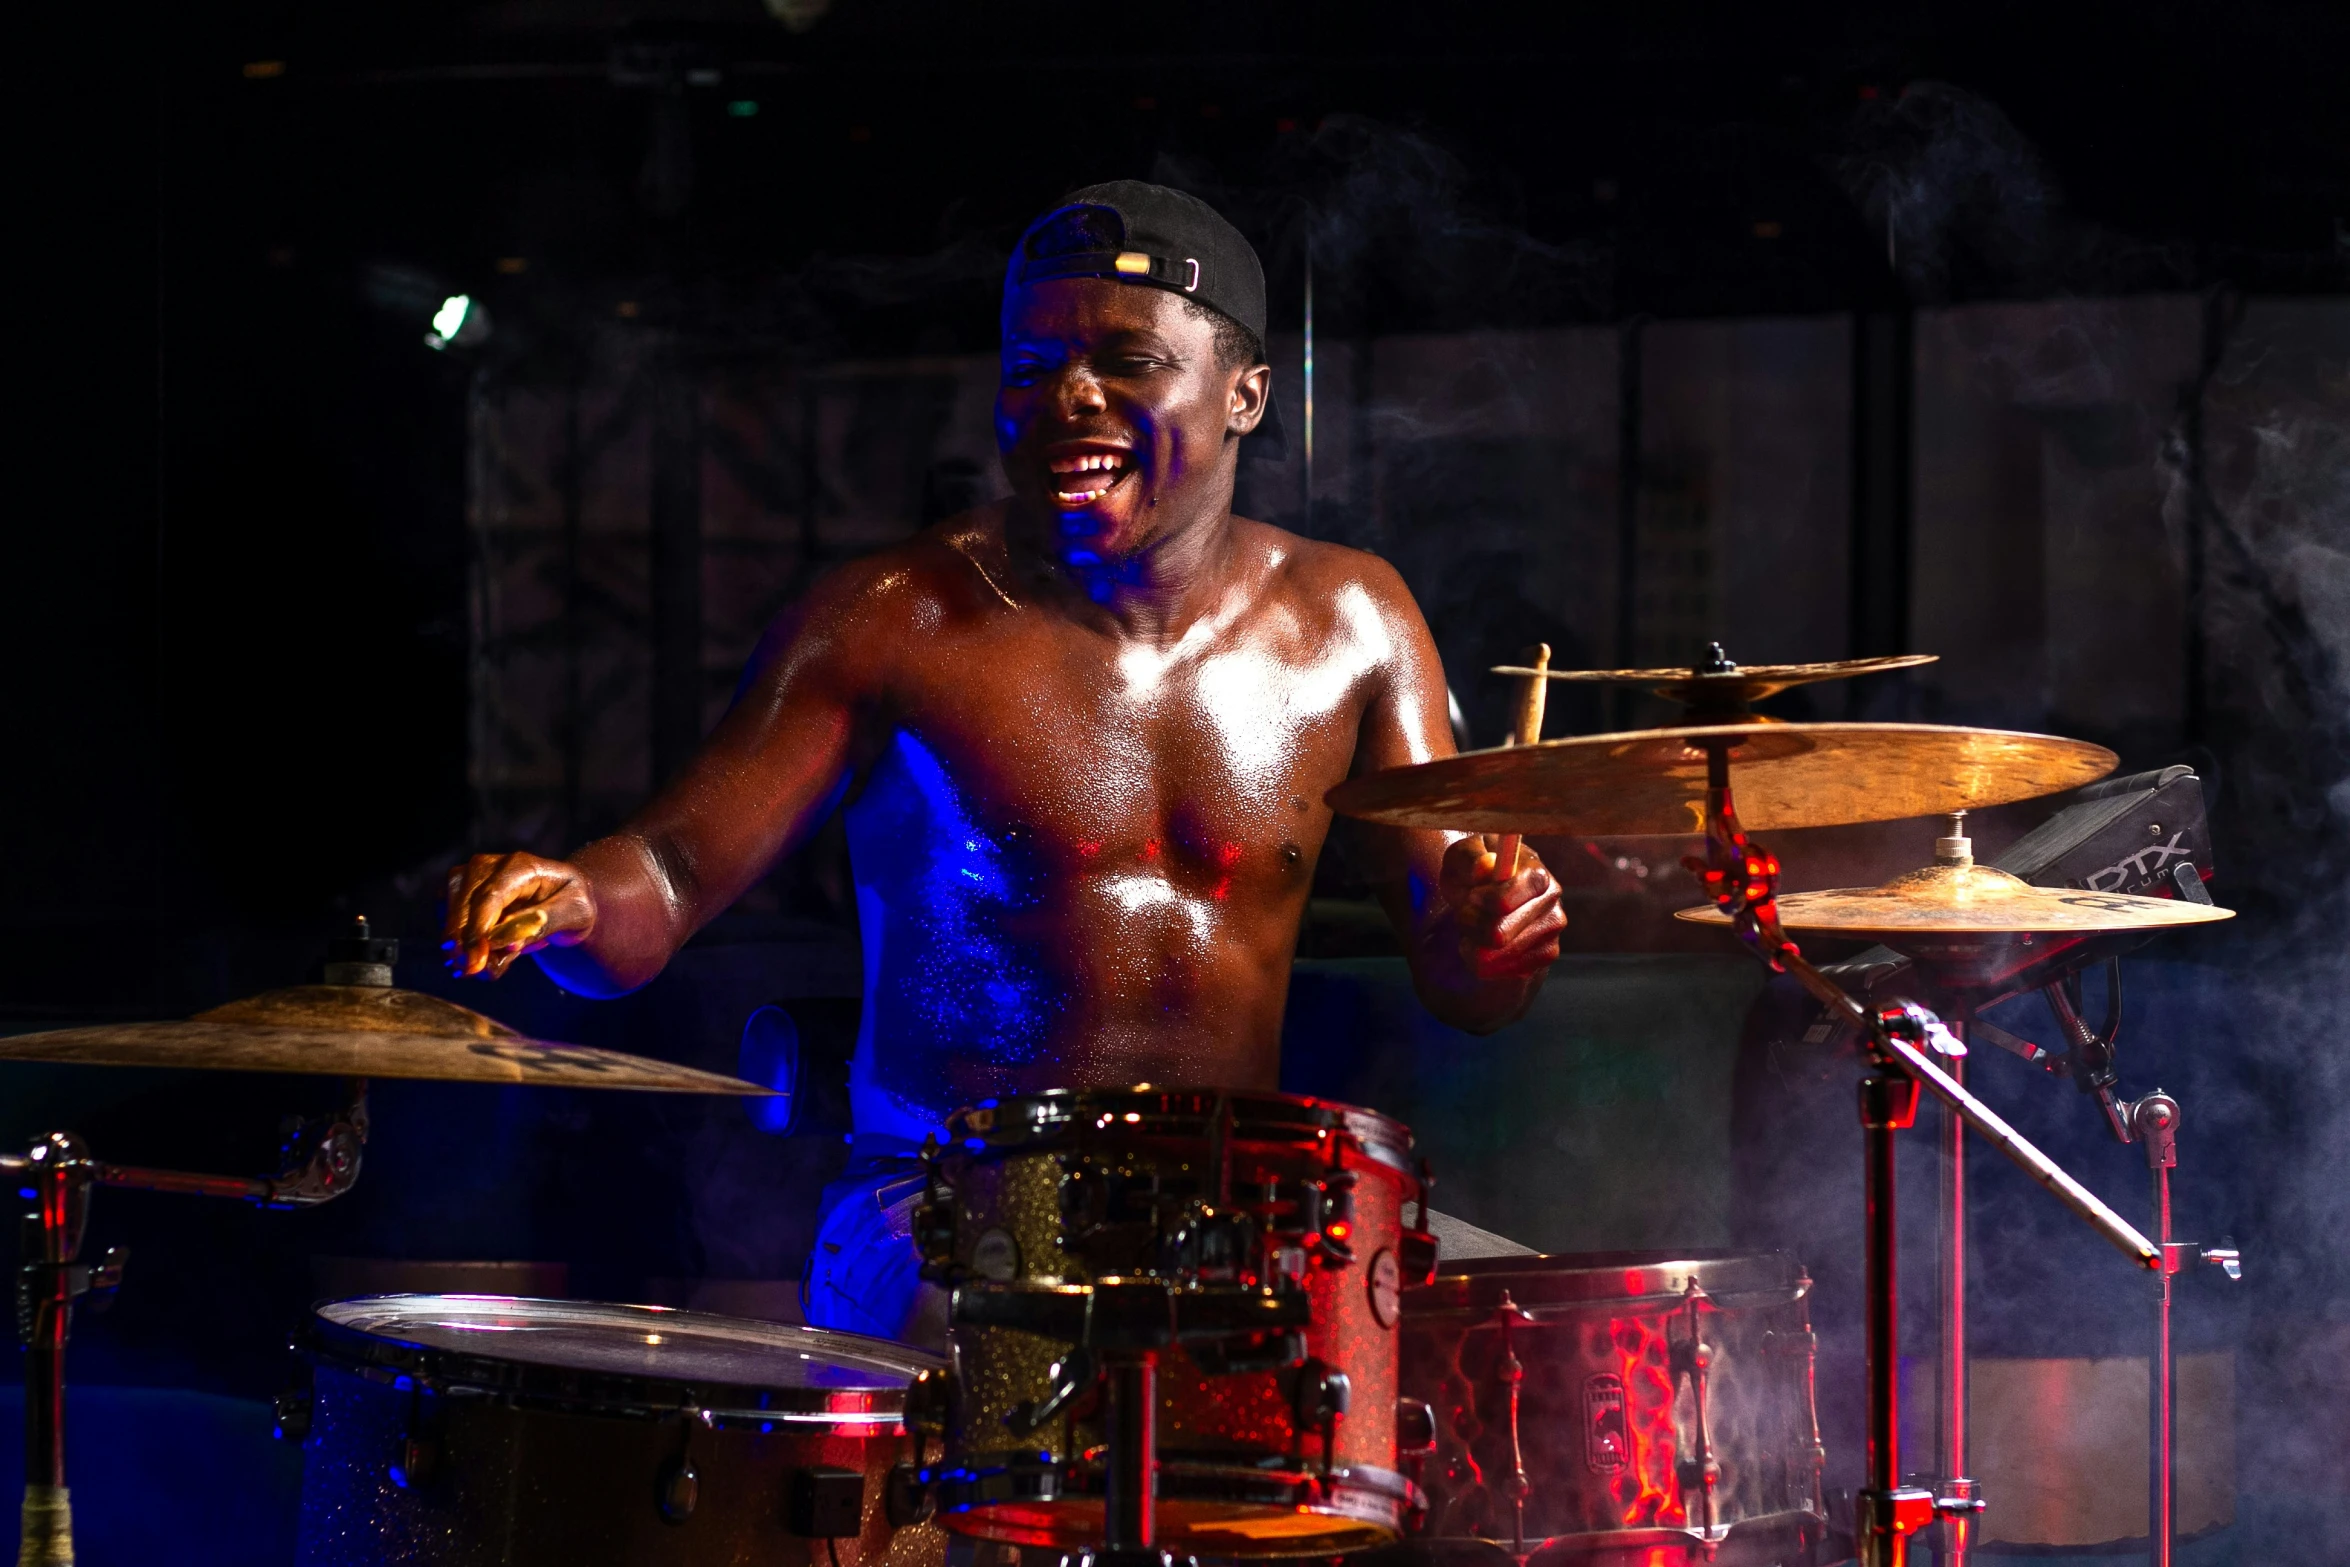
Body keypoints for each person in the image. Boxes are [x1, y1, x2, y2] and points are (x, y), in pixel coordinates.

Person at [443, 181, 1566, 1345]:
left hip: (1221, 1212)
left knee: (1504, 1332)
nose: (1069, 396)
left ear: (1245, 394)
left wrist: (1494, 935)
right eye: (1030, 369)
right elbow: (670, 876)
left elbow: (1465, 973)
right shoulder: (891, 617)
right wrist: (574, 899)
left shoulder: (1355, 621)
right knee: (1040, 1331)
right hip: (929, 1207)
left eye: (1128, 362)